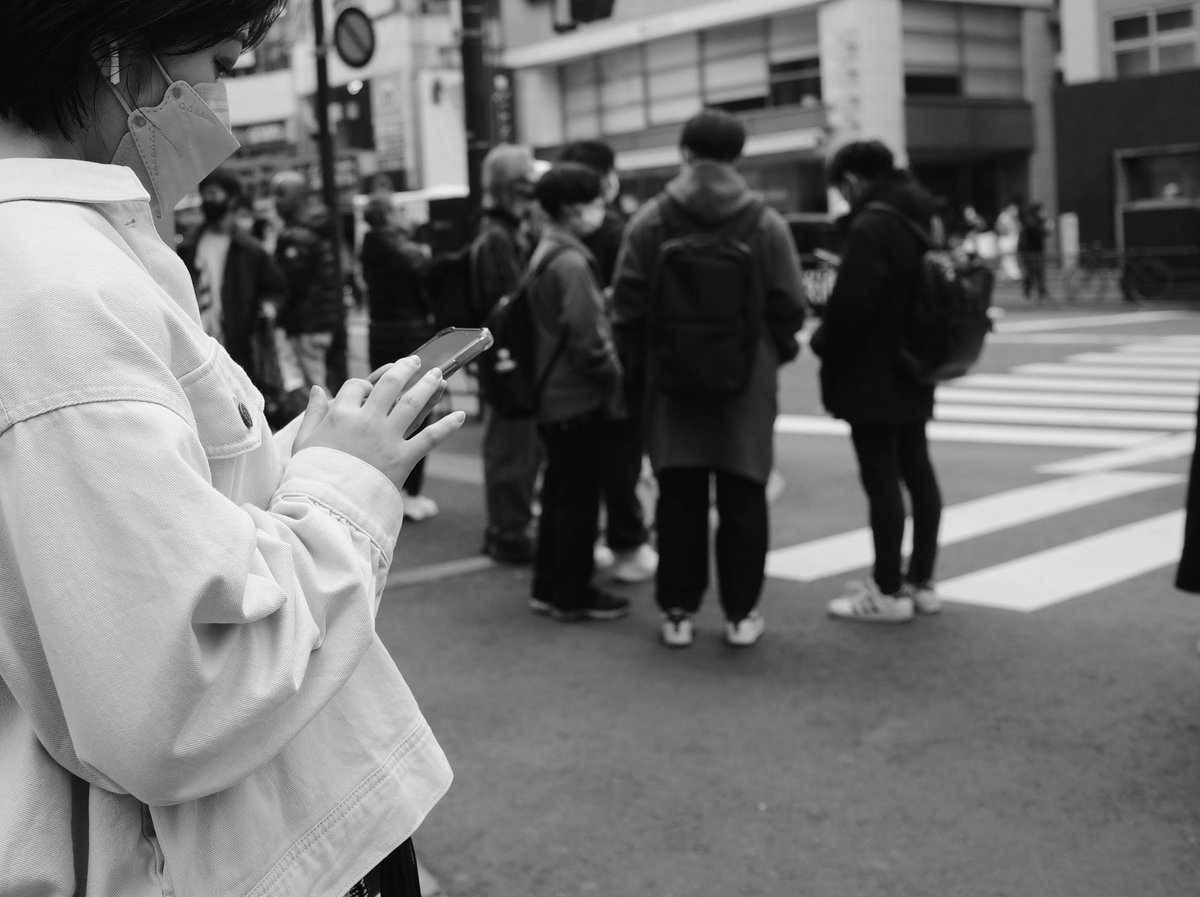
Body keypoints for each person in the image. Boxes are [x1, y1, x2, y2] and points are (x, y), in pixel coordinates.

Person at [0, 3, 465, 895]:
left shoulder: (69, 259)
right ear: (110, 55)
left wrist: (319, 449)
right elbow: (178, 693)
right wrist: (346, 486)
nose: (220, 103)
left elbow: (159, 524)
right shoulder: (57, 287)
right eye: (217, 60)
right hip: (231, 856)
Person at [612, 109, 807, 648]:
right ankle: (742, 615)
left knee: (678, 498)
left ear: (684, 153)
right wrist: (766, 353)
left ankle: (678, 613)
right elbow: (790, 305)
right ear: (738, 157)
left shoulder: (650, 221)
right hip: (745, 386)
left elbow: (625, 308)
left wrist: (647, 364)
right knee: (744, 498)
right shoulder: (764, 223)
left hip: (671, 387)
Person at [810, 139, 943, 623]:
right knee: (917, 469)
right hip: (915, 363)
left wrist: (821, 342)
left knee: (882, 479)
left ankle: (887, 590)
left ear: (851, 180)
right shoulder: (920, 215)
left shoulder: (872, 226)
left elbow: (852, 308)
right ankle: (921, 581)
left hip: (871, 370)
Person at [525, 163, 630, 622]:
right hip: (577, 396)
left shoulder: (545, 251)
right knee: (579, 498)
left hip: (551, 392)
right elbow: (588, 337)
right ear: (572, 208)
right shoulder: (570, 261)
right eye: (595, 199)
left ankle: (549, 586)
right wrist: (614, 375)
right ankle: (573, 591)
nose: (599, 209)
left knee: (560, 494)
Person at [559, 138, 658, 584]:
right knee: (621, 458)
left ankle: (594, 543)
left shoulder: (554, 238)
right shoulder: (622, 232)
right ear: (607, 180)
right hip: (614, 363)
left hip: (567, 373)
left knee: (581, 463)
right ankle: (627, 543)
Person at [471, 144, 543, 564]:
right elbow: (506, 304)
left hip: (511, 354)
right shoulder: (496, 234)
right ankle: (508, 530)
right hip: (508, 355)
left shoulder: (510, 227)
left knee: (519, 444)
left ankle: (511, 525)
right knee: (512, 443)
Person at [361, 194, 441, 521]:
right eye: (399, 210)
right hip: (410, 334)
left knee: (388, 406)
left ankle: (388, 490)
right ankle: (410, 491)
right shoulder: (407, 253)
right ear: (388, 217)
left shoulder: (367, 249)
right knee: (419, 408)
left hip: (380, 332)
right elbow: (429, 287)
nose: (405, 215)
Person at [177, 166, 287, 379]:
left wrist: (268, 308)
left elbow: (276, 288)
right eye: (205, 194)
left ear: (232, 199)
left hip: (238, 347)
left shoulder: (250, 250)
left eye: (214, 194)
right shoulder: (190, 246)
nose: (208, 200)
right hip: (198, 345)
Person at [272, 168, 347, 393]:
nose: (276, 202)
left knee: (315, 391)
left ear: (297, 196)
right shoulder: (318, 227)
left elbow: (290, 283)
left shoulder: (297, 235)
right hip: (322, 322)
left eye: (281, 194)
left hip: (306, 324)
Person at [1019, 200, 1051, 303]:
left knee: (1038, 273)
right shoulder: (1031, 221)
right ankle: (1029, 294)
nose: (1044, 212)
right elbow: (1036, 236)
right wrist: (1046, 229)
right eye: (1042, 211)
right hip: (1030, 252)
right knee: (1031, 273)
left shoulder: (1037, 221)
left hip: (1036, 251)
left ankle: (1041, 293)